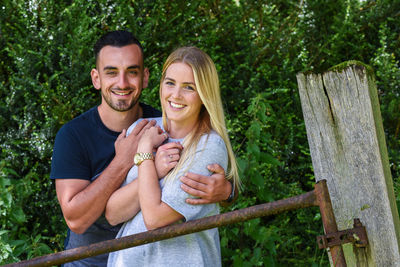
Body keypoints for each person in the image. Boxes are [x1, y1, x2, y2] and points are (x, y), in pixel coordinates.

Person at [50, 31, 235, 266]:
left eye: (132, 72)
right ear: (96, 79)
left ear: (145, 78)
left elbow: (206, 168)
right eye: (111, 73)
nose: (122, 83)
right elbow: (79, 219)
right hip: (89, 262)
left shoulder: (162, 126)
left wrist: (228, 191)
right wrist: (128, 160)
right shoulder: (74, 135)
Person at [106, 46, 240, 266]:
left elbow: (155, 219)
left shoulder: (207, 146)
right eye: (170, 83)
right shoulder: (142, 129)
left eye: (189, 87)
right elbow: (112, 213)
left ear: (204, 95)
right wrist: (153, 166)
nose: (175, 95)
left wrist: (144, 154)